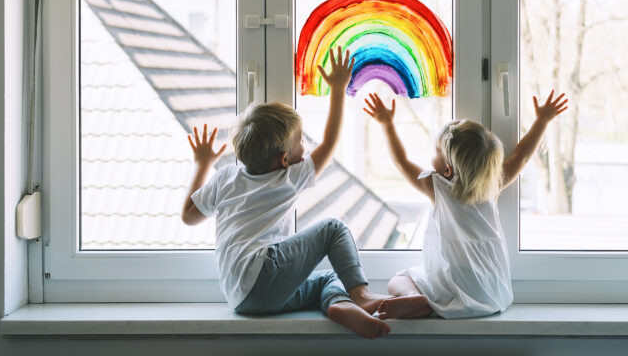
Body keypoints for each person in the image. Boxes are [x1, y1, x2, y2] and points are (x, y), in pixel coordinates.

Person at [181, 47, 390, 339]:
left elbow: (189, 217)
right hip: (263, 274)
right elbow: (330, 142)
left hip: (242, 299)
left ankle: (340, 306)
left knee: (325, 280)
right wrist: (338, 90)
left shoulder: (226, 177)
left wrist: (202, 164)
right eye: (300, 141)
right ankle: (362, 295)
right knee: (332, 228)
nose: (304, 146)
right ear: (284, 160)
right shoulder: (287, 177)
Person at [363, 90, 568, 319]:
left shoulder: (436, 187)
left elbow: (402, 162)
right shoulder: (492, 186)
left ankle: (416, 298)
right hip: (491, 294)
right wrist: (542, 121)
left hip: (453, 290)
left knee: (398, 280)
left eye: (437, 152)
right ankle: (424, 302)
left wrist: (387, 124)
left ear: (447, 170)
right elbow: (522, 156)